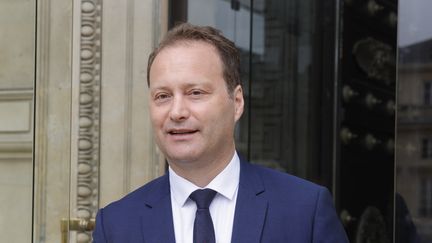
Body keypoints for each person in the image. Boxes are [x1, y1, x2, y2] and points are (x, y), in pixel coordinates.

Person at [92, 23, 349, 243]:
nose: (177, 112)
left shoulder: (304, 210)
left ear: (236, 102)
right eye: (163, 96)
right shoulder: (115, 226)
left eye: (195, 93)